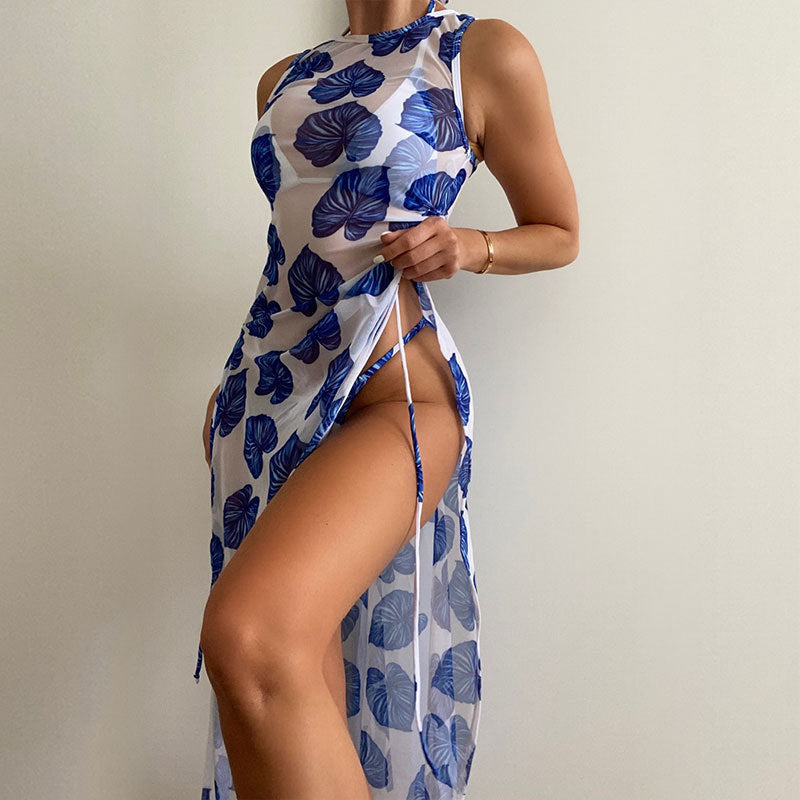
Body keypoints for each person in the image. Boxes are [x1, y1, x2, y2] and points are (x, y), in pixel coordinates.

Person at [195, 1, 579, 797]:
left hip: (397, 396)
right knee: (290, 683)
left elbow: (559, 229)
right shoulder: (285, 79)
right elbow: (292, 250)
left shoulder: (479, 53)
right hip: (266, 398)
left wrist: (470, 245)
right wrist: (235, 381)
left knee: (251, 640)